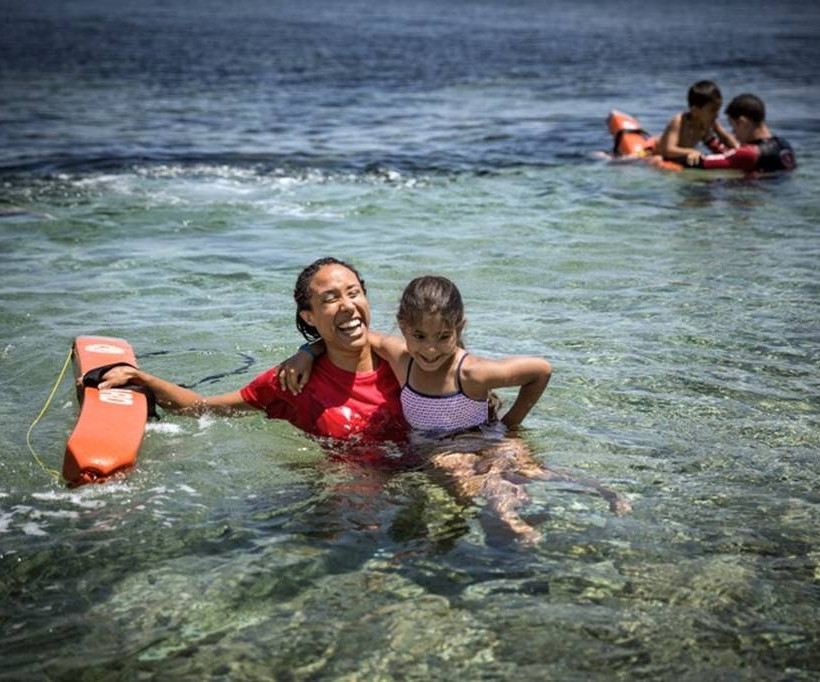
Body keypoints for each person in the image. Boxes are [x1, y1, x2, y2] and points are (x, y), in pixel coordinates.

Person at [282, 275, 631, 543]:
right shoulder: (403, 357)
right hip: (441, 448)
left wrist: (512, 422)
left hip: (486, 437)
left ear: (458, 329)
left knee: (533, 472)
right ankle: (510, 518)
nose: (430, 350)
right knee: (476, 482)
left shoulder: (471, 373)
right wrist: (307, 352)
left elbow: (541, 370)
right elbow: (354, 337)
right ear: (403, 327)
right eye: (419, 336)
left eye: (442, 337)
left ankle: (602, 491)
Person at [95, 257, 408, 444]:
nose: (348, 306)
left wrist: (310, 349)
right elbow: (203, 408)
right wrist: (145, 380)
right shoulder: (291, 381)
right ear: (308, 316)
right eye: (330, 299)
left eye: (354, 294)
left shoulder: (406, 361)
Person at [696, 93, 796, 173]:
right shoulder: (783, 145)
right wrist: (708, 140)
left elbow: (701, 162)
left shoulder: (749, 154)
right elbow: (732, 157)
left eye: (733, 127)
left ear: (743, 122)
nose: (734, 133)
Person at [654, 80, 738, 166]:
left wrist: (739, 150)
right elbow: (668, 150)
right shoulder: (679, 121)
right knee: (657, 159)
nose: (717, 115)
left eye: (718, 109)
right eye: (713, 110)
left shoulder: (710, 123)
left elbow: (726, 139)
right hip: (656, 152)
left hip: (678, 157)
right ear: (695, 111)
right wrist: (692, 151)